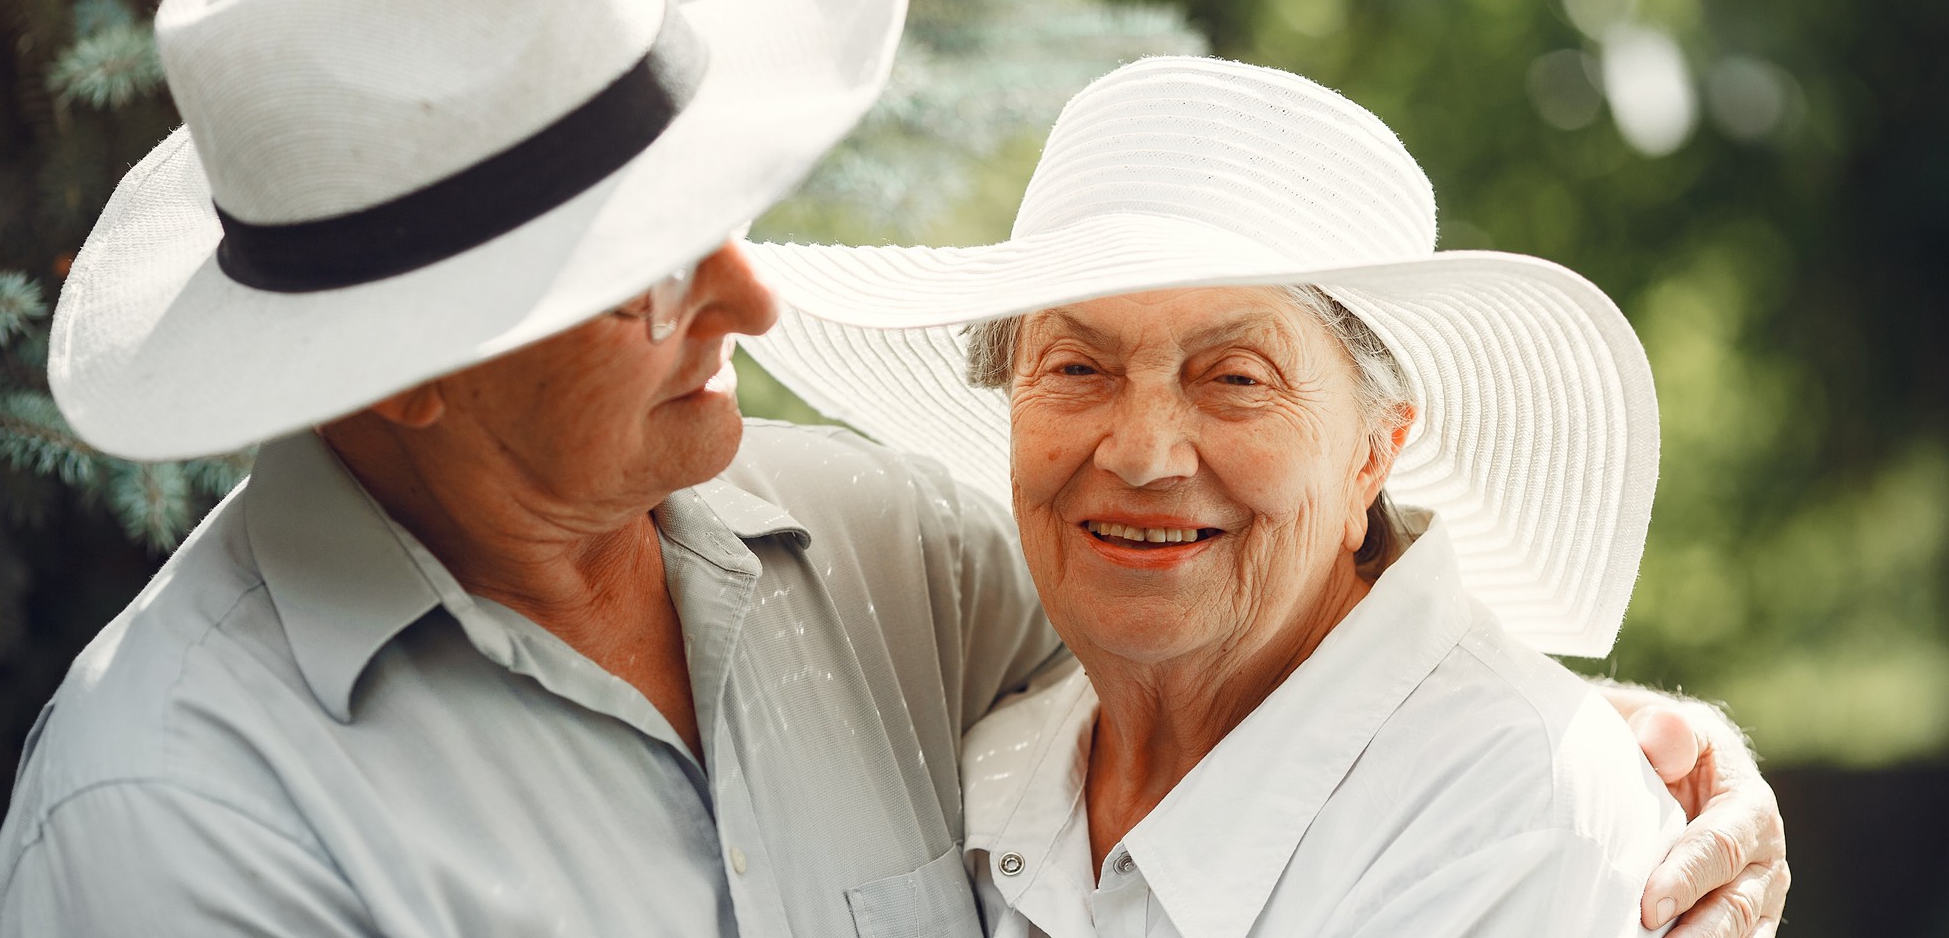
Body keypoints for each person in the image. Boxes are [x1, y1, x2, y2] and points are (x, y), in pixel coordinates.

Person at [0, 0, 1781, 938]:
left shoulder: (879, 557)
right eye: (656, 275)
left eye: (727, 218)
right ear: (413, 371)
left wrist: (1614, 761)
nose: (751, 299)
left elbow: (1275, 668)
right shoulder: (180, 823)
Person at [741, 56, 1790, 935]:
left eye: (1234, 378)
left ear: (1372, 455)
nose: (1144, 451)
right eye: (1075, 369)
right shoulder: (996, 760)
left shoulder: (1510, 812)